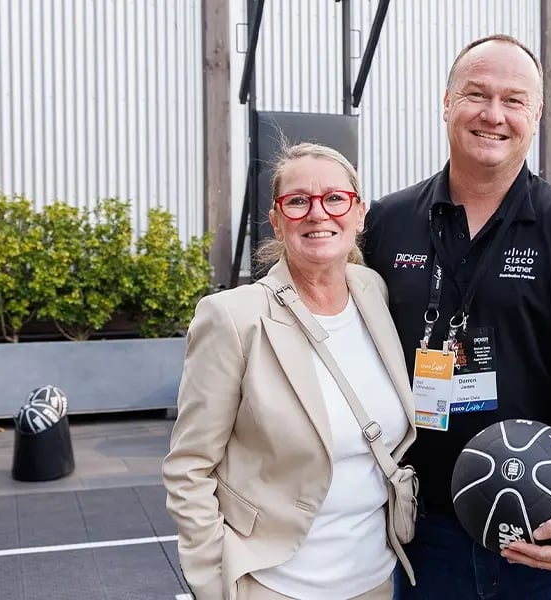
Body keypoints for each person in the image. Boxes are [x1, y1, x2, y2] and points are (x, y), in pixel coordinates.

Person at [362, 34, 551, 600]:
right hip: (423, 528)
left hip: (544, 527)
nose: (493, 114)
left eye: (514, 100)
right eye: (476, 94)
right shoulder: (387, 223)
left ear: (536, 114)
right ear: (446, 102)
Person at [163, 143, 416, 600]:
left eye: (335, 198)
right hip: (274, 585)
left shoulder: (373, 291)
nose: (318, 213)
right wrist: (214, 584)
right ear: (277, 221)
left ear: (359, 214)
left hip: (375, 580)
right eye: (298, 201)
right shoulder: (234, 317)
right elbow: (189, 467)